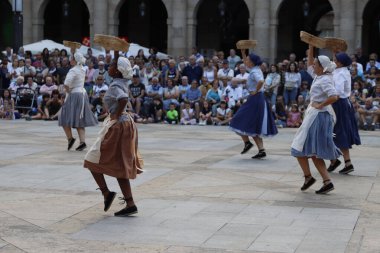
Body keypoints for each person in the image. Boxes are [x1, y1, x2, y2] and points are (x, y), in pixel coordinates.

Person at [84, 56, 143, 217]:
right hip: (124, 124)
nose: (108, 67)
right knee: (119, 165)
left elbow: (123, 99)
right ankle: (129, 203)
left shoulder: (116, 84)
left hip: (119, 125)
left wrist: (116, 114)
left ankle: (106, 193)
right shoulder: (122, 81)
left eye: (111, 66)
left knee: (91, 159)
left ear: (116, 70)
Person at [291, 46, 340, 194]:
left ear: (322, 67)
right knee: (308, 150)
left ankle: (318, 179)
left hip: (318, 117)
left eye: (316, 64)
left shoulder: (325, 79)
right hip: (315, 115)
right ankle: (319, 180)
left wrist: (320, 104)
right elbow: (309, 64)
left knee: (305, 149)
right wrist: (310, 46)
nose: (313, 65)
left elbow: (334, 96)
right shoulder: (319, 75)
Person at [229, 53, 278, 158]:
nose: (245, 61)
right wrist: (243, 51)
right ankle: (261, 150)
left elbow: (261, 81)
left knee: (236, 119)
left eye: (247, 60)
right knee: (254, 126)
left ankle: (247, 143)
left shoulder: (255, 71)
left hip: (255, 99)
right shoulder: (255, 69)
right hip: (257, 99)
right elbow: (246, 62)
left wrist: (255, 91)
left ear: (251, 62)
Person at [327, 52, 361, 174]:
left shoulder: (341, 73)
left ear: (340, 62)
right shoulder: (340, 70)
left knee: (335, 132)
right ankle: (345, 162)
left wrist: (326, 96)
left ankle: (337, 161)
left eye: (335, 59)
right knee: (336, 132)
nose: (333, 61)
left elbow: (338, 91)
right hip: (339, 103)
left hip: (338, 104)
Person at [58, 52, 98, 151]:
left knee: (63, 117)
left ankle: (70, 139)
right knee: (79, 119)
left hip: (75, 95)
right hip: (81, 94)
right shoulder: (82, 69)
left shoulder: (73, 70)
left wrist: (68, 91)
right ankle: (82, 142)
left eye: (71, 58)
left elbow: (66, 84)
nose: (69, 60)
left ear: (75, 60)